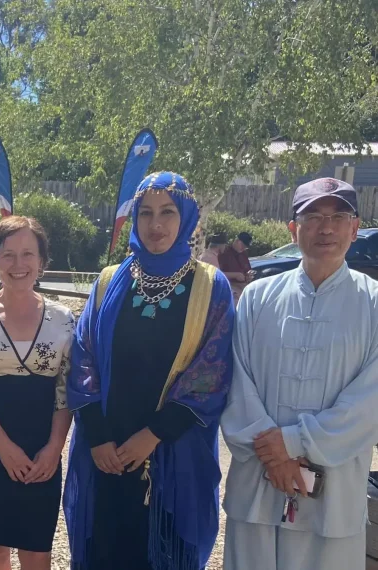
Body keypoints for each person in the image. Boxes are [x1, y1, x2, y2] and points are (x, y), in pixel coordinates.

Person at [64, 172, 235, 570]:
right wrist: (98, 436)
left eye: (168, 212)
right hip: (105, 453)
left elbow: (210, 373)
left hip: (172, 455)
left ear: (188, 217)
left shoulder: (211, 287)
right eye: (145, 213)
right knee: (105, 549)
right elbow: (83, 356)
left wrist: (153, 435)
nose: (155, 224)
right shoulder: (110, 281)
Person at [220, 178, 378, 570]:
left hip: (333, 491)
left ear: (355, 228)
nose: (326, 228)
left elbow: (369, 401)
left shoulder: (373, 303)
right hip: (259, 481)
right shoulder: (257, 297)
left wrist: (293, 442)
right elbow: (236, 380)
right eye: (313, 217)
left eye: (338, 217)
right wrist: (275, 458)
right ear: (293, 229)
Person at [0, 216, 74, 570]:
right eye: (8, 255)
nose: (18, 265)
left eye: (27, 254)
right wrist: (5, 449)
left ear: (42, 261)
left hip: (42, 446)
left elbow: (67, 392)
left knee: (37, 549)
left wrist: (54, 448)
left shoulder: (63, 319)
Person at [219, 231, 254, 301]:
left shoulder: (243, 254)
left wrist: (248, 276)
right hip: (230, 285)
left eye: (246, 247)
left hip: (244, 285)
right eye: (243, 246)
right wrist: (235, 275)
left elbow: (247, 270)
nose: (244, 248)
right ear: (237, 241)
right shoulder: (224, 252)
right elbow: (218, 274)